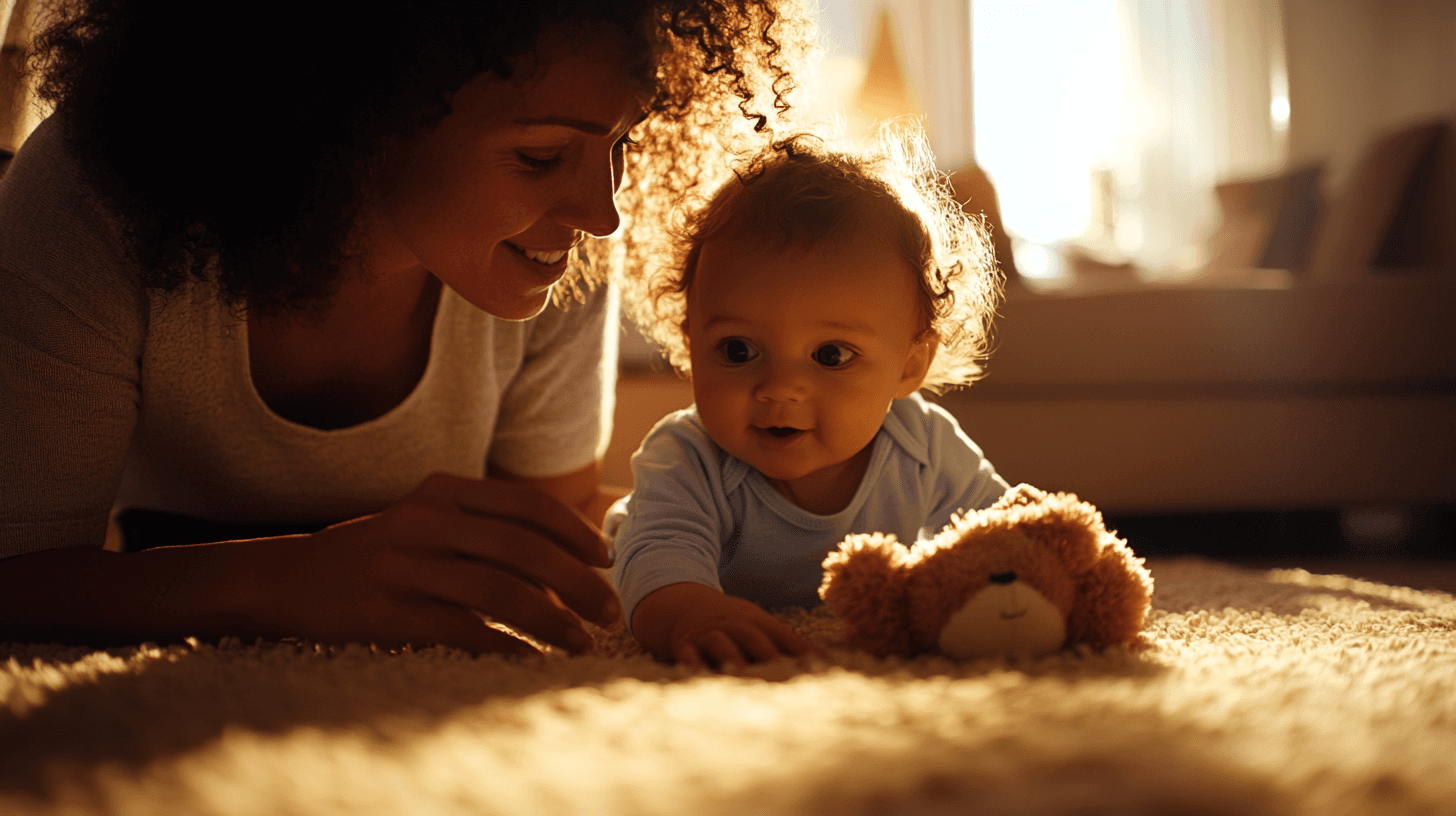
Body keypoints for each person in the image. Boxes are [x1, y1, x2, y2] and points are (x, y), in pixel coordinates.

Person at [0, 0, 814, 655]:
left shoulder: (552, 255)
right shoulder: (90, 200)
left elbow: (550, 536)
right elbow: (17, 576)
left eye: (622, 143)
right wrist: (285, 580)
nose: (602, 214)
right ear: (349, 114)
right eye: (538, 157)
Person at [608, 129, 1010, 669]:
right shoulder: (687, 457)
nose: (779, 388)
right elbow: (659, 557)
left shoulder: (923, 446)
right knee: (610, 552)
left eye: (830, 356)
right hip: (624, 547)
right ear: (689, 341)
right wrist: (692, 612)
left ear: (909, 365)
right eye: (738, 349)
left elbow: (1007, 530)